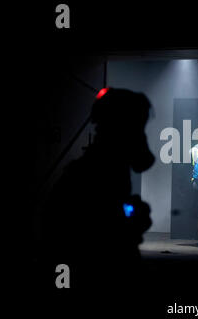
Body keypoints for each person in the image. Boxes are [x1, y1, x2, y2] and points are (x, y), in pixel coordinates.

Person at [39, 88, 155, 290]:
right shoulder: (92, 174)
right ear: (123, 128)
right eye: (137, 126)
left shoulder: (102, 170)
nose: (141, 135)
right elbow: (95, 237)